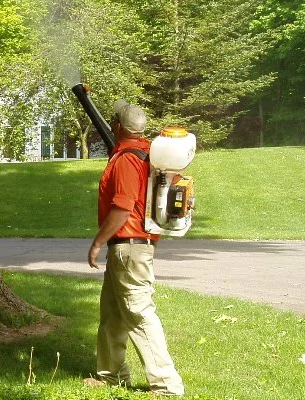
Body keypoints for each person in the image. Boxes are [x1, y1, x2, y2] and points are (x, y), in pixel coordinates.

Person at [84, 100, 185, 396]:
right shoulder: (146, 152)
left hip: (129, 247)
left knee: (139, 314)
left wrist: (97, 242)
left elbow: (122, 208)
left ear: (117, 126)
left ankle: (166, 385)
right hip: (129, 247)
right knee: (112, 313)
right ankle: (111, 375)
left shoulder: (128, 160)